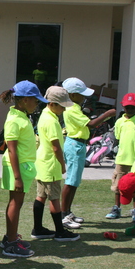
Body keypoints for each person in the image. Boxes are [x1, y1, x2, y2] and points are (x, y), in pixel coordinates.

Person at [0, 80, 48, 257]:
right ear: (25, 100)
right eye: (35, 100)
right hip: (17, 167)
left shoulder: (22, 117)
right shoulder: (13, 120)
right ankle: (11, 243)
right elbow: (11, 150)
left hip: (23, 166)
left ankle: (9, 237)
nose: (37, 104)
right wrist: (17, 177)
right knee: (15, 203)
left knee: (16, 202)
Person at [61, 77, 117, 228]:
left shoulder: (75, 107)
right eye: (81, 94)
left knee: (75, 182)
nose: (84, 97)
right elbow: (91, 124)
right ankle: (63, 214)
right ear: (72, 95)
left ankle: (67, 212)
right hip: (74, 145)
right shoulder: (71, 109)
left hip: (78, 144)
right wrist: (107, 114)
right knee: (71, 181)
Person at [32, 86, 80, 242]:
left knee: (41, 196)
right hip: (51, 164)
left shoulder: (45, 115)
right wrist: (62, 163)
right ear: (51, 103)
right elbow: (55, 147)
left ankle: (38, 228)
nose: (64, 110)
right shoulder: (51, 120)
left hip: (42, 163)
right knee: (54, 198)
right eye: (62, 106)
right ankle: (60, 231)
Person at [106, 93, 135, 220]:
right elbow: (118, 138)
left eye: (132, 107)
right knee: (118, 185)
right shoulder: (119, 122)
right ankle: (116, 208)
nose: (129, 110)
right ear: (123, 107)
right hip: (122, 159)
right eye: (127, 107)